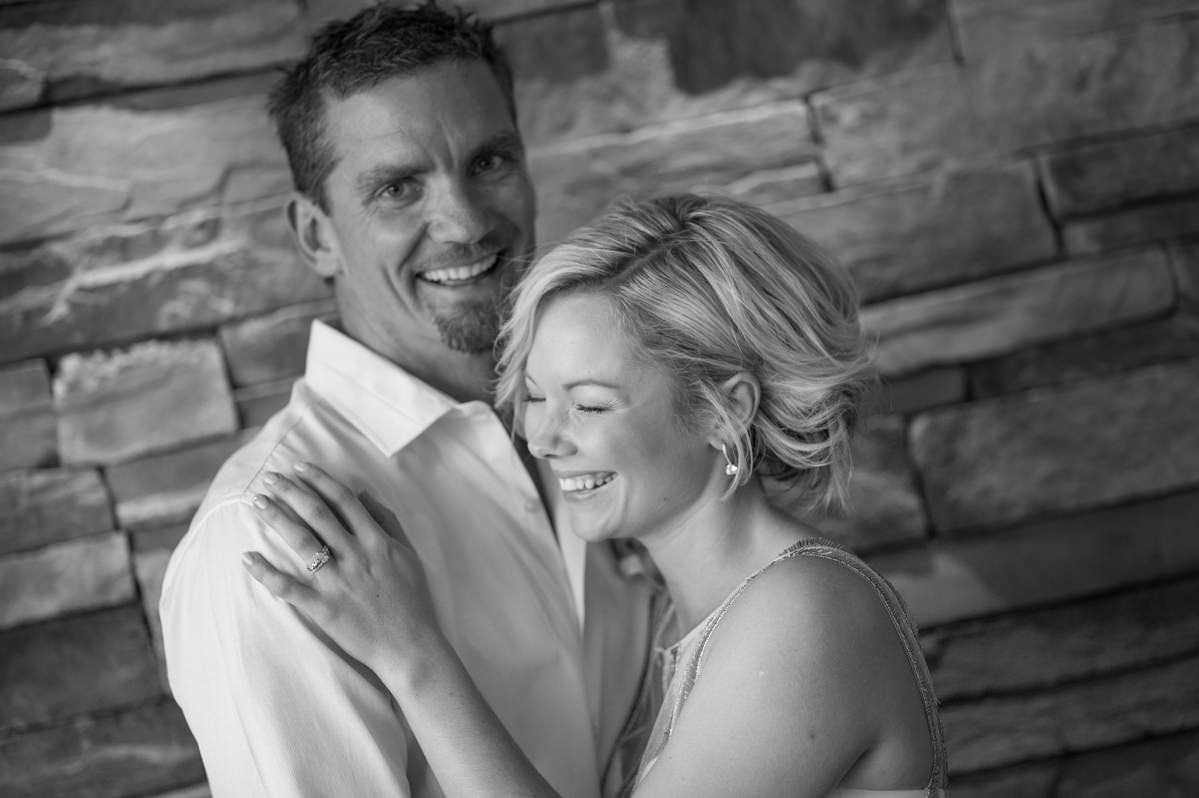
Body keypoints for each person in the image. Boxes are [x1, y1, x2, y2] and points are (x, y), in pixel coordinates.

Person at [242, 193, 950, 797]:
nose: (541, 438)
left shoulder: (801, 613)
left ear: (722, 412)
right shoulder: (671, 607)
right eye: (536, 394)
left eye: (587, 405)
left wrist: (409, 652)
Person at [159, 4, 658, 797]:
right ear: (316, 235)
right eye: (397, 187)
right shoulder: (273, 539)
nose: (463, 223)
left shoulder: (616, 417)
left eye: (489, 161)